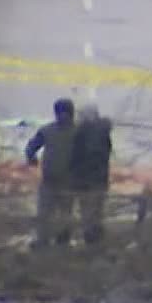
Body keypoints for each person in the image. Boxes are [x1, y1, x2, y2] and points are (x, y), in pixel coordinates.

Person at [26, 99, 78, 247]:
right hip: (50, 179)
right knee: (44, 212)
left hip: (69, 180)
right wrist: (31, 157)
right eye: (60, 113)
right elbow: (32, 146)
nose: (63, 116)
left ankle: (63, 239)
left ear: (71, 114)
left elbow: (87, 154)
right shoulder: (47, 131)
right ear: (56, 114)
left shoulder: (78, 132)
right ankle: (43, 239)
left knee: (65, 213)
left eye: (66, 113)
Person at [69, 104, 113, 244]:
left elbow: (79, 156)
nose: (78, 118)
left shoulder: (84, 132)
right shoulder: (103, 131)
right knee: (95, 210)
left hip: (88, 178)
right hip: (99, 178)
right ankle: (95, 238)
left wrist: (76, 175)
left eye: (81, 115)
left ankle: (91, 239)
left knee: (89, 212)